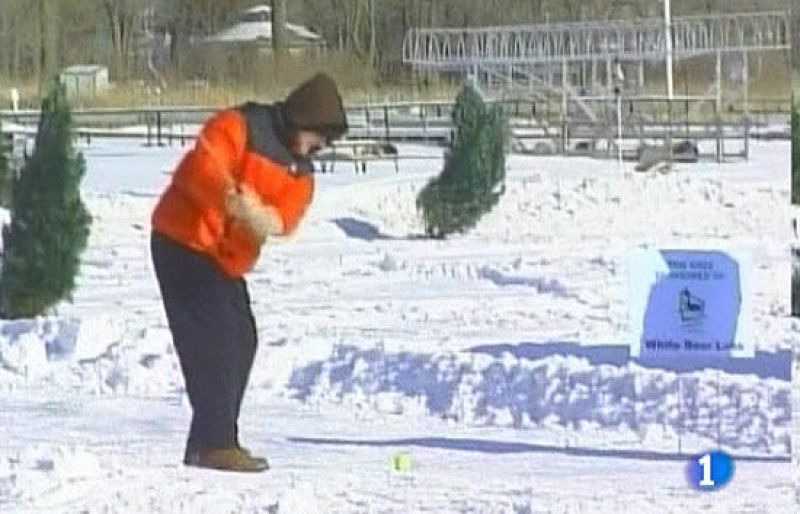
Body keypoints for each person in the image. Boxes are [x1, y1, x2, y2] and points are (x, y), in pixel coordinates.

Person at [150, 73, 348, 472]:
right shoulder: (237, 125)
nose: (321, 148)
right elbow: (201, 168)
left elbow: (287, 218)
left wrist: (262, 218)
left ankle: (207, 441)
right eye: (320, 138)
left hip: (224, 260)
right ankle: (217, 443)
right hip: (183, 242)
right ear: (304, 120)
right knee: (216, 339)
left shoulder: (301, 171)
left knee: (243, 338)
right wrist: (230, 201)